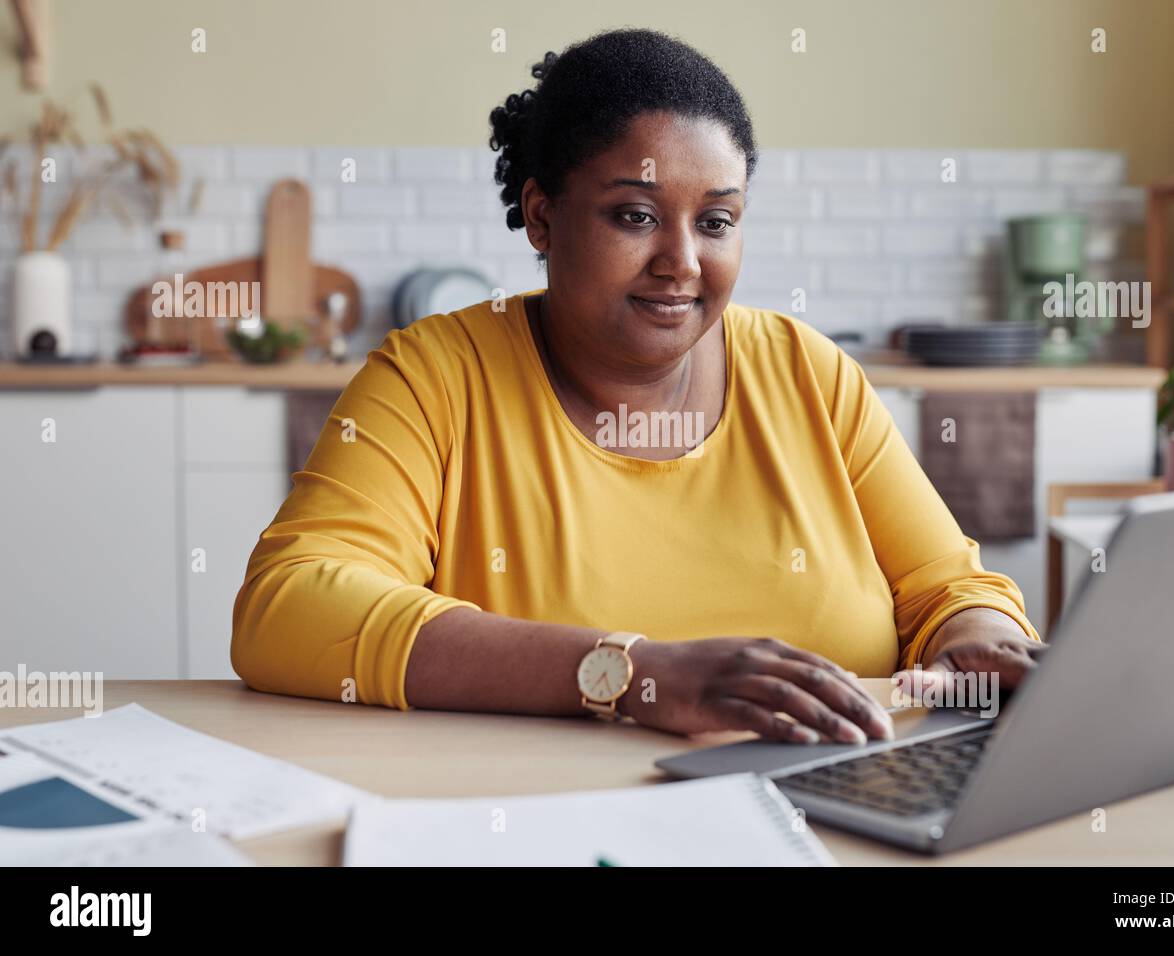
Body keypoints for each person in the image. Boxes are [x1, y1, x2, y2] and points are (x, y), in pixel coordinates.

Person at [232, 27, 1042, 745]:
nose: (682, 262)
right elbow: (290, 608)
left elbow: (947, 587)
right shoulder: (437, 377)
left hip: (833, 815)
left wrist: (977, 638)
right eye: (635, 216)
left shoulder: (811, 374)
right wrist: (635, 674)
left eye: (716, 222)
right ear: (542, 218)